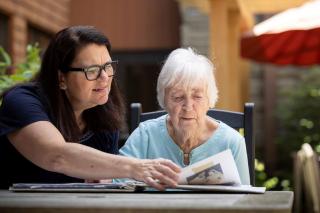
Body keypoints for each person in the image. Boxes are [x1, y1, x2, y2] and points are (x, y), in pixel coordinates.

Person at [0, 25, 180, 190]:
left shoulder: (103, 114)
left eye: (108, 66)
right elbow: (56, 155)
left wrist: (104, 178)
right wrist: (134, 167)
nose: (104, 77)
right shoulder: (22, 101)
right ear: (61, 78)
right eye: (92, 70)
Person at [119, 47, 250, 185]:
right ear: (164, 100)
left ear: (209, 99)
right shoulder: (145, 136)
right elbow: (118, 184)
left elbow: (244, 200)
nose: (188, 106)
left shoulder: (232, 143)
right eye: (178, 97)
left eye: (197, 96)